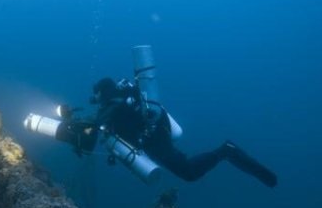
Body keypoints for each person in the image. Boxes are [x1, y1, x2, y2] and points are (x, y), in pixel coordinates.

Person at [73, 77, 278, 187]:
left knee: (188, 172)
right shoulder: (120, 100)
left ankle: (225, 150)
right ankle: (225, 152)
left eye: (97, 95)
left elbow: (95, 128)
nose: (95, 99)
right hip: (157, 132)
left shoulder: (112, 107)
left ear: (103, 93)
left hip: (154, 138)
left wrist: (74, 129)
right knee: (185, 169)